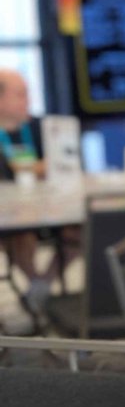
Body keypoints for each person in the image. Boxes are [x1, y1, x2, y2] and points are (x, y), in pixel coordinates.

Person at [0, 70, 52, 317]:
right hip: (12, 219)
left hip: (49, 209)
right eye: (20, 94)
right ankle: (38, 286)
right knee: (22, 235)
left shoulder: (41, 128)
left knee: (84, 231)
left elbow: (62, 166)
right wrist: (37, 167)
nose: (27, 101)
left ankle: (43, 285)